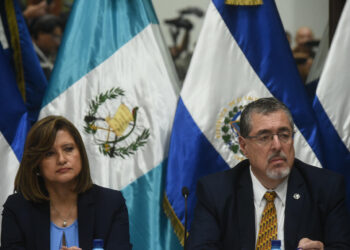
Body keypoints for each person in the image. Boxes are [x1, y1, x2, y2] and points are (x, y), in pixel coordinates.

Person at [188, 98, 350, 250]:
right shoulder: (216, 192)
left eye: (284, 135)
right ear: (244, 146)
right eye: (264, 137)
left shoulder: (325, 188)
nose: (277, 146)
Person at [1, 116, 132, 250]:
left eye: (68, 149)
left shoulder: (110, 204)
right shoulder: (17, 209)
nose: (62, 159)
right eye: (49, 153)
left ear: (80, 153)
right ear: (36, 163)